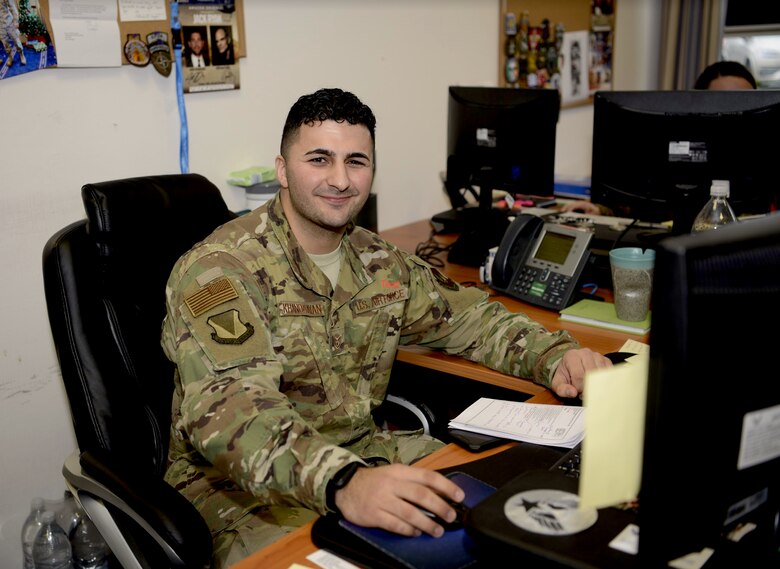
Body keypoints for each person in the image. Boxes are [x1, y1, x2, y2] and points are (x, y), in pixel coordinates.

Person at [161, 88, 612, 568]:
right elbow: (232, 409)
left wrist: (556, 356)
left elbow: (472, 319)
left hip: (367, 452)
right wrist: (343, 481)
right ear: (282, 169)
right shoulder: (219, 271)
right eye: (319, 159)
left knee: (511, 514)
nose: (340, 180)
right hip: (241, 493)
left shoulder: (378, 260)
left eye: (357, 161)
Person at [561, 60, 757, 216]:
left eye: (743, 102)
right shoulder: (676, 146)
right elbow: (642, 202)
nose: (734, 114)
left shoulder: (763, 155)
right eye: (724, 103)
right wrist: (600, 210)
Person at [0, 0, 26, 68]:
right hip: (0, 26)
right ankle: (10, 57)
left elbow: (13, 7)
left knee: (17, 41)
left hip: (9, 22)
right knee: (5, 44)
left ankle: (21, 54)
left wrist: (15, 21)